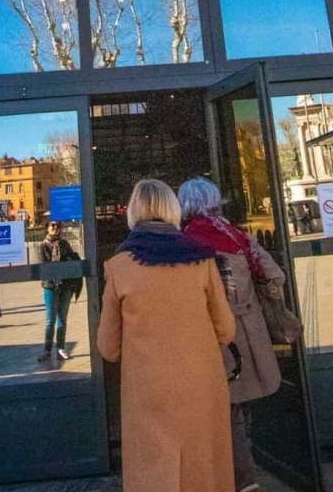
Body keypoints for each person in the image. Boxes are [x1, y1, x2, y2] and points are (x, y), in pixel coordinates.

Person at [97, 179, 235, 492]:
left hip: (147, 390)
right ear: (172, 210)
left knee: (155, 472)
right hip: (201, 383)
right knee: (204, 470)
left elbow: (108, 347)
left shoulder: (118, 267)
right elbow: (226, 329)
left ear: (133, 212)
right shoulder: (201, 259)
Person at [180, 177, 286, 492]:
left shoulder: (188, 240)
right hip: (251, 334)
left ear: (185, 205)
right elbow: (274, 276)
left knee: (226, 409)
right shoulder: (237, 235)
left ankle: (243, 479)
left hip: (217, 337)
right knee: (238, 406)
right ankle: (242, 469)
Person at [38, 221, 77, 363]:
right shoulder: (43, 245)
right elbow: (44, 265)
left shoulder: (64, 243)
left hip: (65, 285)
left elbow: (72, 259)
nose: (55, 228)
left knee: (62, 317)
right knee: (50, 319)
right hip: (50, 286)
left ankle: (61, 347)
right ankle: (47, 350)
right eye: (52, 226)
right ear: (47, 228)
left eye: (58, 226)